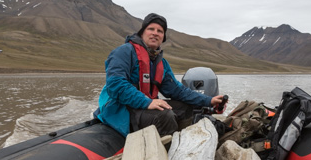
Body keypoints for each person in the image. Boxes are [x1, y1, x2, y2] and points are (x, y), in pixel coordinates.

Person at [94, 13, 226, 137]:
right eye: (151, 29)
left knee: (188, 108)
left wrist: (209, 101)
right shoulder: (123, 52)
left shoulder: (161, 63)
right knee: (165, 116)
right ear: (142, 33)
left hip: (144, 108)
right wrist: (146, 102)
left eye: (160, 31)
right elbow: (115, 85)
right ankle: (168, 155)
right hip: (120, 110)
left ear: (163, 37)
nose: (155, 33)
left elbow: (179, 91)